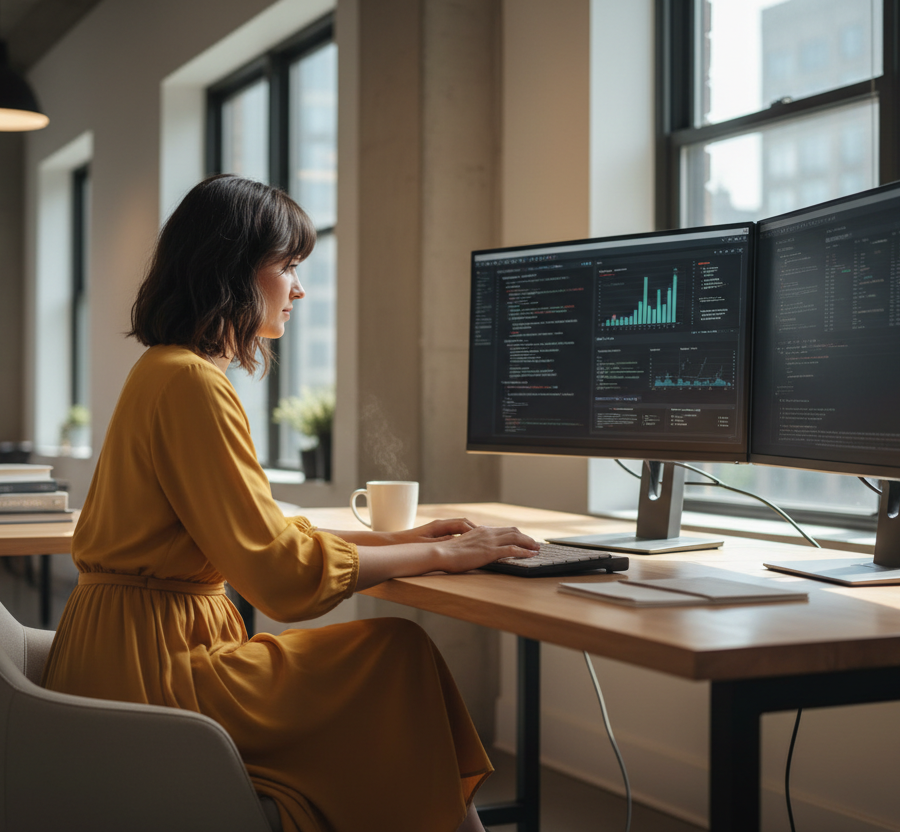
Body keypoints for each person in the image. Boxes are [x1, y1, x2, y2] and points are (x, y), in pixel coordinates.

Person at [41, 174, 540, 832]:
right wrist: (443, 554)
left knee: (381, 670)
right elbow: (280, 576)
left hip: (116, 658)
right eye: (289, 266)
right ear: (232, 271)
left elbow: (261, 534)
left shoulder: (163, 369)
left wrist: (409, 540)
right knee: (398, 656)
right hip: (161, 677)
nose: (299, 289)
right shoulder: (194, 383)